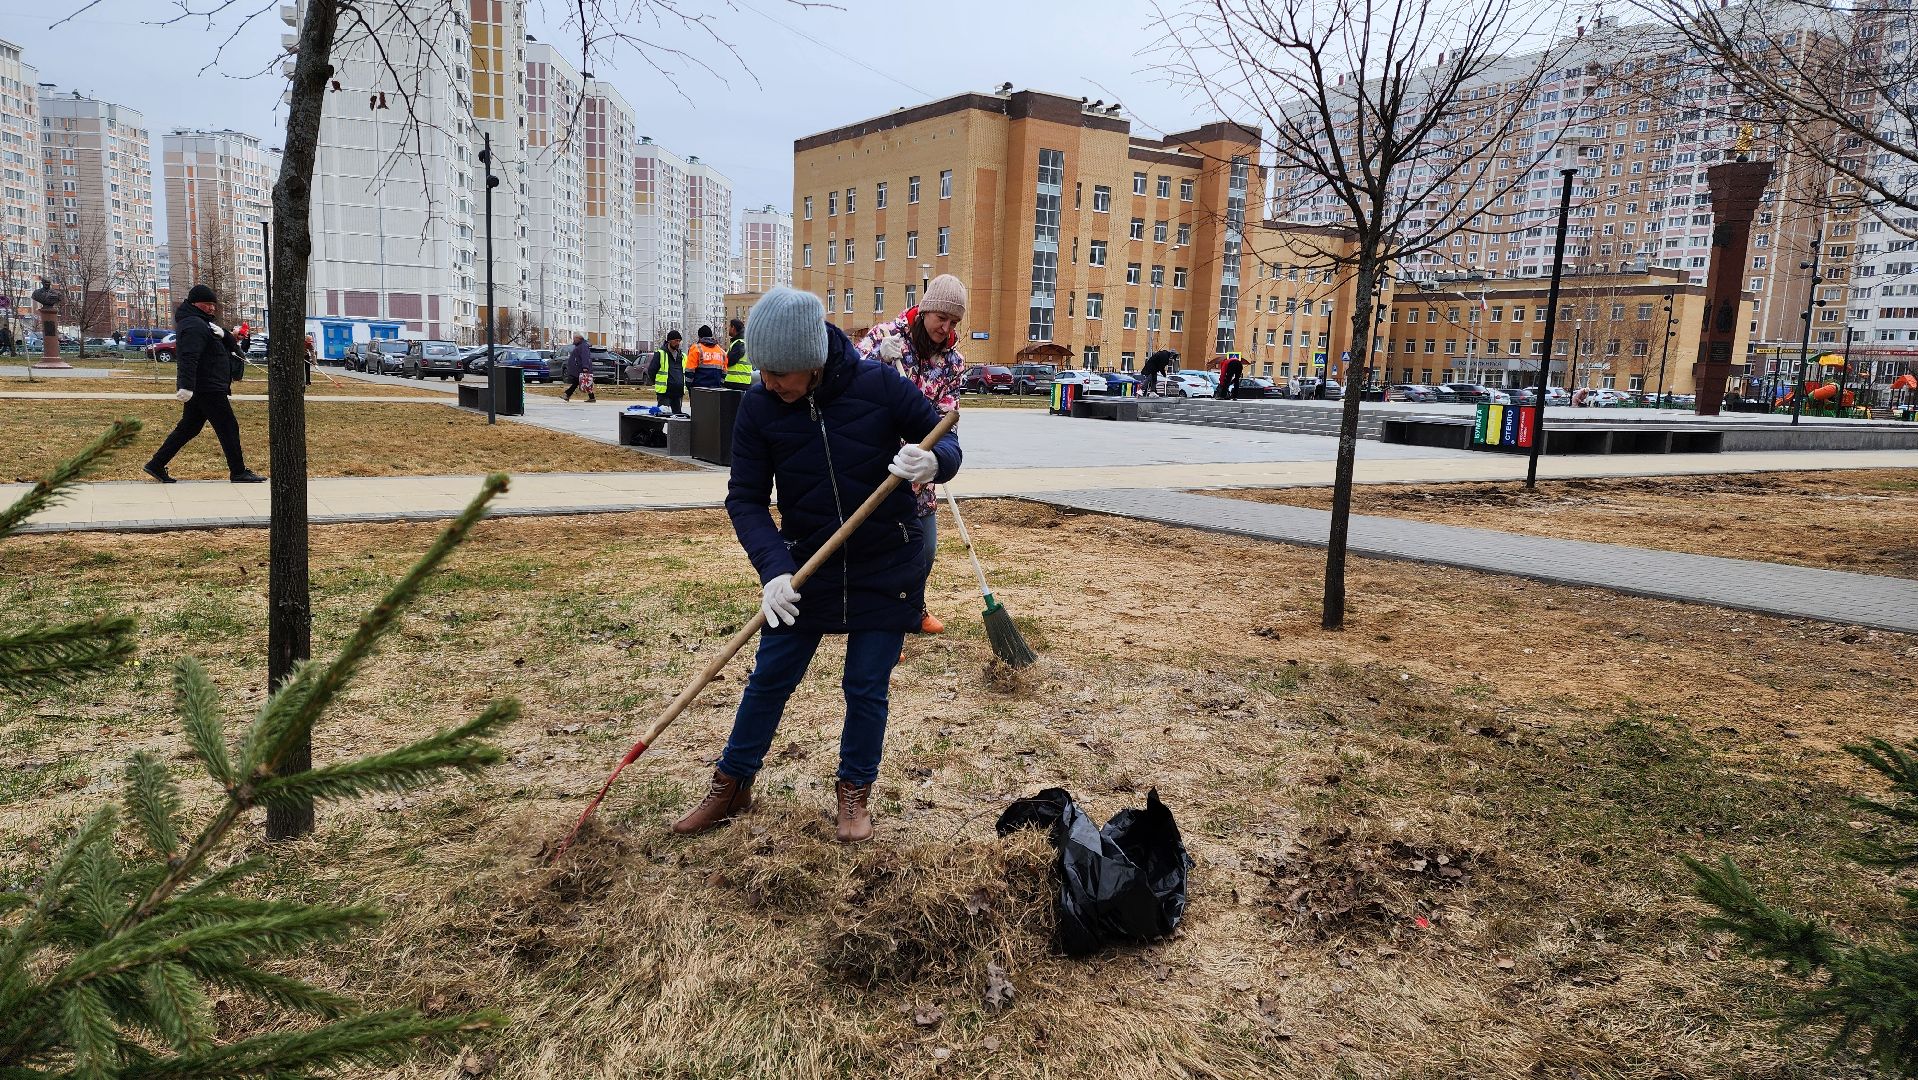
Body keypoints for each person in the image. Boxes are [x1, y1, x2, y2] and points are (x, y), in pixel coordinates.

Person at [672, 287, 961, 843]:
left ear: (812, 360)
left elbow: (946, 439)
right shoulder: (759, 407)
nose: (769, 382)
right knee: (770, 677)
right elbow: (746, 499)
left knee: (866, 685)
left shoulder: (879, 385)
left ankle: (854, 793)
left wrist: (932, 464)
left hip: (886, 562)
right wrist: (774, 569)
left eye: (779, 372)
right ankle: (732, 784)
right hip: (808, 567)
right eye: (764, 371)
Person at [855, 274, 967, 636]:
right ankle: (880, 623)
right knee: (882, 551)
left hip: (920, 467)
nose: (946, 327)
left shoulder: (952, 361)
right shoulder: (886, 337)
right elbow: (849, 381)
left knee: (925, 549)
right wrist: (875, 359)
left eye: (953, 322)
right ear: (926, 310)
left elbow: (948, 414)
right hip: (881, 466)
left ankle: (913, 610)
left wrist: (933, 456)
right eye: (941, 319)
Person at [144, 285, 264, 484]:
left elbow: (222, 346)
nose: (212, 308)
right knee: (228, 427)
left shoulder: (201, 323)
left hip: (205, 386)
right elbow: (189, 357)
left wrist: (227, 336)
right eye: (207, 304)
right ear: (194, 303)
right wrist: (185, 385)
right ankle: (239, 472)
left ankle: (156, 464)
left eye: (213, 305)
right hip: (207, 386)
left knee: (189, 428)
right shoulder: (194, 325)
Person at [650, 329, 686, 416]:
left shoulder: (683, 356)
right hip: (665, 392)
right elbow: (651, 371)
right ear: (669, 341)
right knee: (662, 415)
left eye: (679, 341)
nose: (678, 343)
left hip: (678, 393)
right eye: (676, 341)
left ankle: (675, 430)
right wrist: (656, 383)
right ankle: (657, 430)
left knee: (677, 418)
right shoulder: (660, 354)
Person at [686, 324, 729, 390]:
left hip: (698, 390)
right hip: (716, 390)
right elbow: (724, 372)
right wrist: (720, 385)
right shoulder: (721, 351)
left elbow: (690, 371)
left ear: (700, 337)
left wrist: (689, 387)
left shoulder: (696, 348)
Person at [562, 334, 596, 402]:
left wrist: (585, 367)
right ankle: (592, 397)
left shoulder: (583, 346)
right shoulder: (580, 346)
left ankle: (567, 394)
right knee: (582, 382)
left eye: (574, 339)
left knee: (577, 382)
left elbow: (585, 357)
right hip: (579, 367)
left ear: (579, 339)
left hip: (581, 368)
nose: (573, 340)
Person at [724, 317, 753, 386]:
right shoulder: (746, 342)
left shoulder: (739, 343)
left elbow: (730, 360)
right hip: (744, 381)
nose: (728, 329)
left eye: (729, 327)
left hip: (735, 382)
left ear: (733, 327)